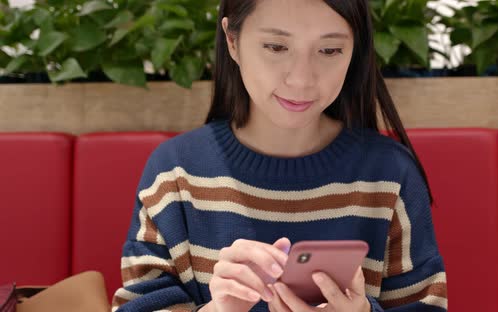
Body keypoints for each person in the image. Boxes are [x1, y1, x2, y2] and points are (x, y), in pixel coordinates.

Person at [111, 0, 447, 311]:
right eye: (275, 47)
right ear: (232, 40)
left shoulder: (390, 175)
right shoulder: (174, 173)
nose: (301, 79)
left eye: (330, 50)